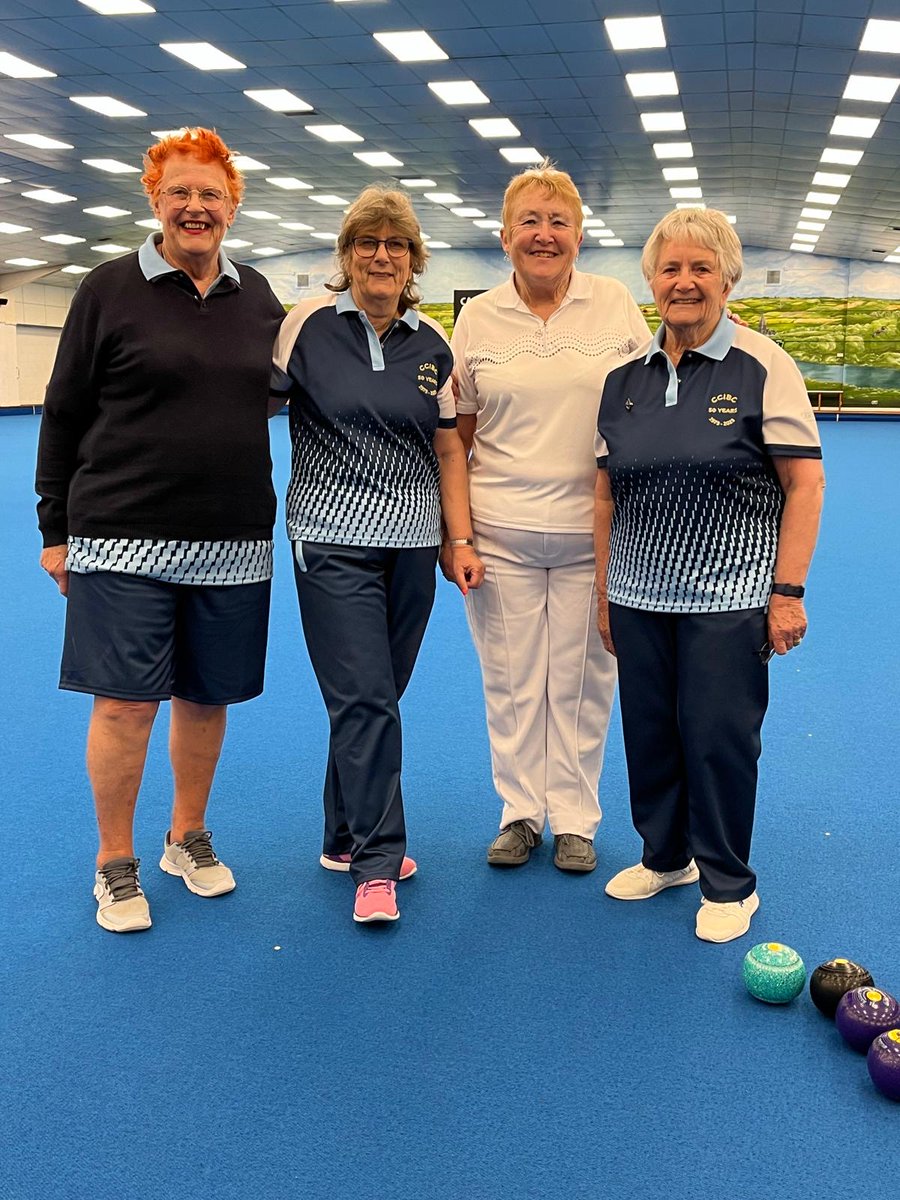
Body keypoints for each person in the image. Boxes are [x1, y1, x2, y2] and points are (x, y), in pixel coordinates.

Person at [36, 128, 285, 933]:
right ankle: (115, 861)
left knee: (206, 697)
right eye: (179, 192)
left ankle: (188, 835)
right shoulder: (108, 288)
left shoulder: (260, 297)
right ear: (154, 201)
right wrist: (55, 525)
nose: (195, 207)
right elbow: (64, 410)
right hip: (121, 532)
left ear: (233, 206)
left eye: (210, 194)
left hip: (232, 538)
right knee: (124, 706)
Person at [594, 207, 825, 943]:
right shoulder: (622, 379)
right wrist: (605, 592)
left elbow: (805, 486)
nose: (684, 282)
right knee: (651, 732)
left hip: (729, 595)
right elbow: (605, 495)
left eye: (700, 268)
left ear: (727, 278)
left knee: (720, 735)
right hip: (636, 592)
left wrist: (786, 593)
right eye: (670, 268)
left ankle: (728, 881)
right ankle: (665, 856)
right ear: (651, 280)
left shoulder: (764, 365)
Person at [271, 186, 483, 925]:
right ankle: (377, 860)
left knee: (375, 699)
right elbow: (244, 404)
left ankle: (340, 835)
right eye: (368, 242)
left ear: (414, 259)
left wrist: (458, 539)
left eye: (396, 244)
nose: (382, 255)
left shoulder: (433, 345)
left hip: (414, 545)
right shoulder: (304, 327)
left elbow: (449, 446)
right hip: (329, 538)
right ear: (347, 253)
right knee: (364, 698)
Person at [450, 163, 650, 872]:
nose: (544, 234)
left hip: (591, 538)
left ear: (579, 234)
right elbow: (458, 433)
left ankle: (575, 818)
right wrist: (460, 533)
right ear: (505, 237)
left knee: (584, 680)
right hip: (498, 535)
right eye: (530, 222)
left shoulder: (615, 304)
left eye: (558, 222)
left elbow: (652, 400)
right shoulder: (476, 317)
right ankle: (520, 813)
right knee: (509, 679)